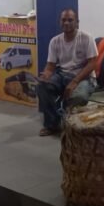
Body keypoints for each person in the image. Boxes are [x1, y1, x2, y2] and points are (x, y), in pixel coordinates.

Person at [36, 9, 98, 137]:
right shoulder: (55, 41)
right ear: (59, 22)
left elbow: (92, 63)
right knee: (42, 87)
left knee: (79, 96)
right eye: (63, 20)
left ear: (77, 22)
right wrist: (46, 75)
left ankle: (70, 124)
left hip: (83, 77)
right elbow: (51, 66)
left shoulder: (86, 38)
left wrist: (75, 81)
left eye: (70, 20)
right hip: (62, 75)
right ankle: (52, 125)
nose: (66, 23)